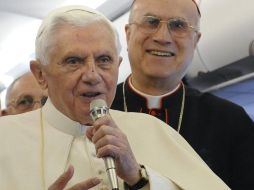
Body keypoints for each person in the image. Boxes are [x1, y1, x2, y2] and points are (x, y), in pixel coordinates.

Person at [0, 5, 229, 190]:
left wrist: (140, 179)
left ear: (118, 66)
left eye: (104, 60)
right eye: (74, 61)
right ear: (41, 74)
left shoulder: (153, 130)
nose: (92, 75)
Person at [111, 0, 254, 189]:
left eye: (178, 25)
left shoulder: (232, 121)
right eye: (151, 22)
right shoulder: (92, 112)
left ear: (195, 40)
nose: (163, 37)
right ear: (128, 34)